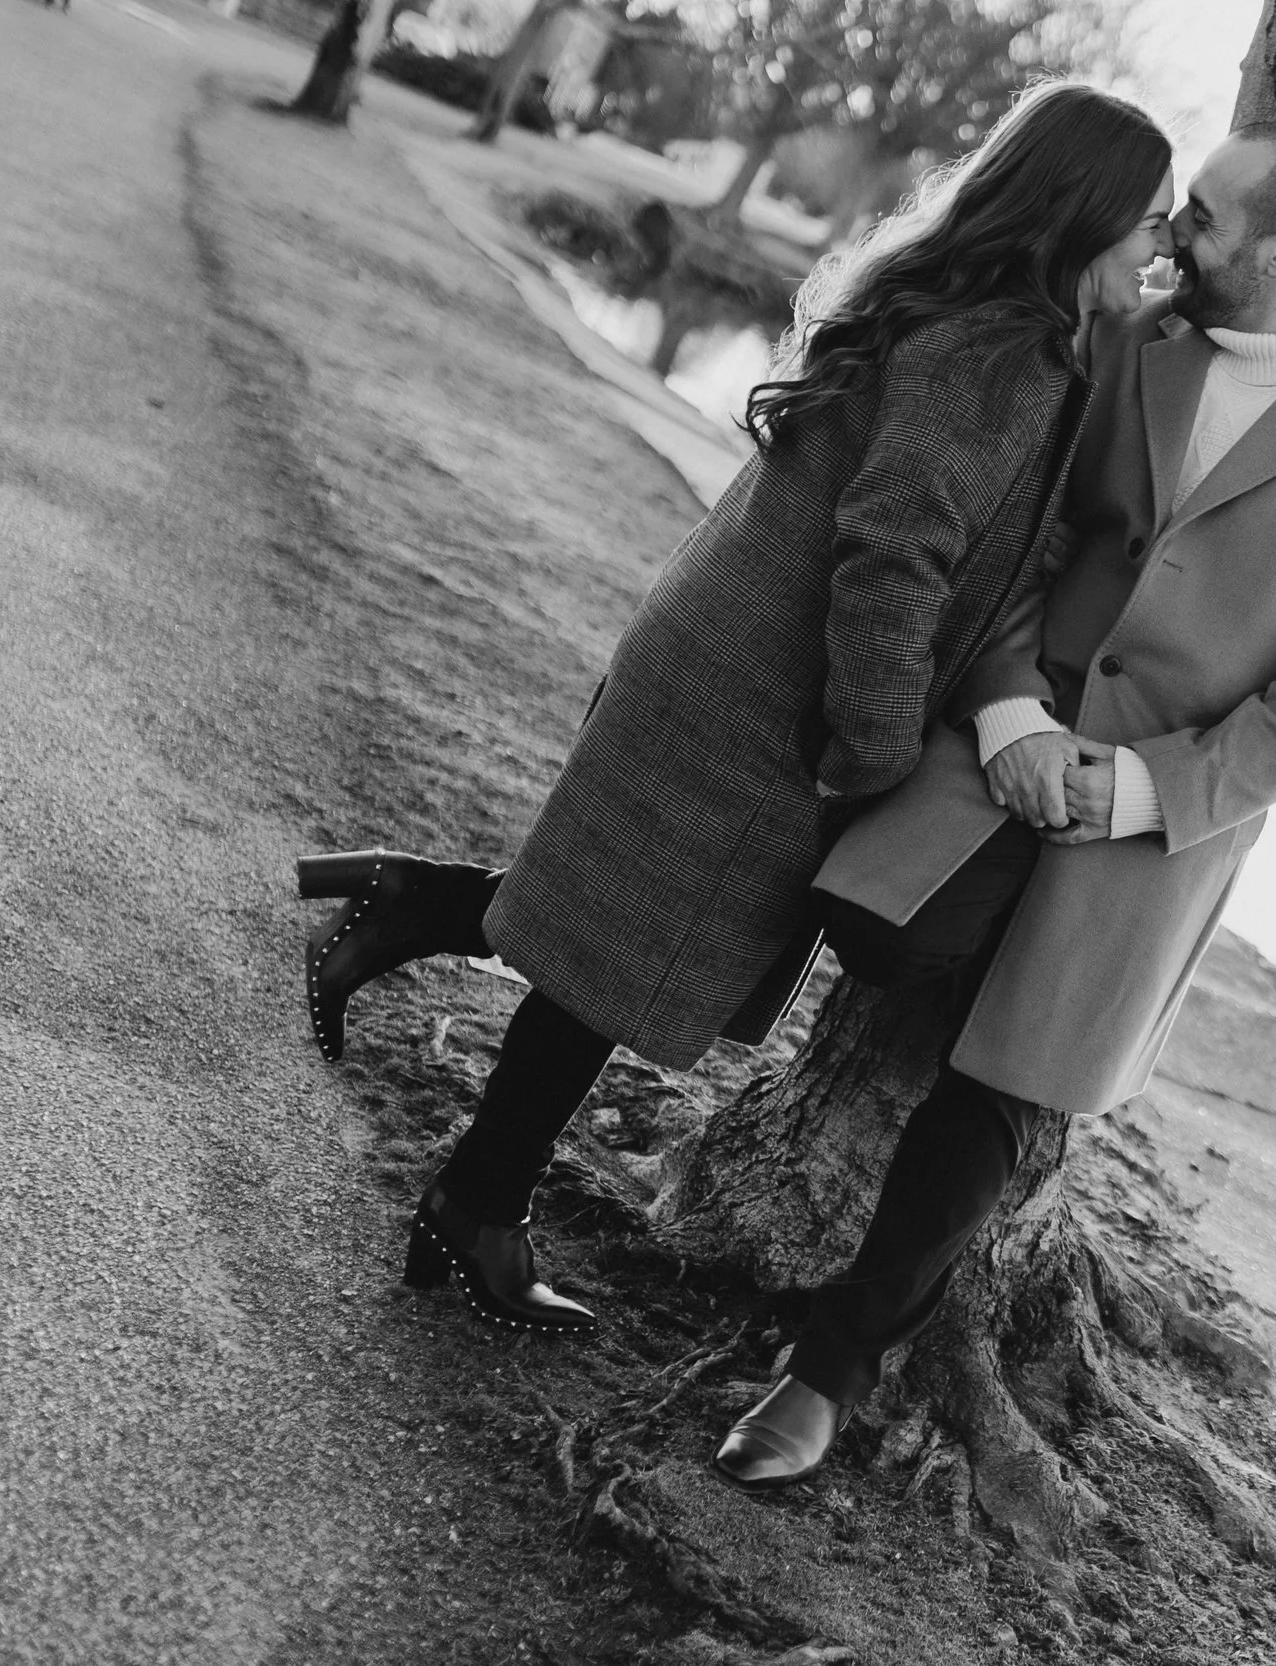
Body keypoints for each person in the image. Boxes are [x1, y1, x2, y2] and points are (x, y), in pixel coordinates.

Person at [292, 83, 1177, 1343]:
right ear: (1078, 217)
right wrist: (870, 753)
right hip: (763, 703)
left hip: (727, 663)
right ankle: (472, 1190)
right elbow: (892, 559)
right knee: (626, 953)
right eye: (1145, 220)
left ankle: (425, 966)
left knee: (621, 935)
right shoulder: (997, 355)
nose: (1158, 247)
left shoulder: (979, 320)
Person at [705, 121, 1276, 1490]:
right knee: (870, 927)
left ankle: (828, 1369)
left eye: (1209, 221)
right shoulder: (1124, 338)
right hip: (1009, 735)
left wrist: (1147, 791)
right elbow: (1024, 540)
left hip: (1158, 826)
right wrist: (1010, 713)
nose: (1174, 235)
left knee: (1000, 1091)